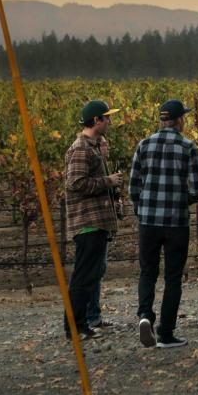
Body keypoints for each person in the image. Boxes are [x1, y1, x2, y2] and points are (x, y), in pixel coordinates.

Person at [129, 99, 198, 349]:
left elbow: (133, 186)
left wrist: (142, 208)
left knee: (148, 272)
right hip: (176, 222)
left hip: (148, 221)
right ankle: (166, 333)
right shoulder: (188, 146)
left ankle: (144, 316)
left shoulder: (144, 145)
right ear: (179, 119)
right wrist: (183, 201)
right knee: (173, 277)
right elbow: (196, 188)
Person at [63, 99, 124, 341]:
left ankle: (83, 323)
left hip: (97, 222)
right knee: (83, 276)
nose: (109, 121)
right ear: (96, 120)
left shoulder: (93, 147)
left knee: (91, 274)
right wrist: (108, 181)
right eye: (106, 117)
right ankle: (74, 327)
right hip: (87, 223)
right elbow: (75, 183)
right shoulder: (81, 149)